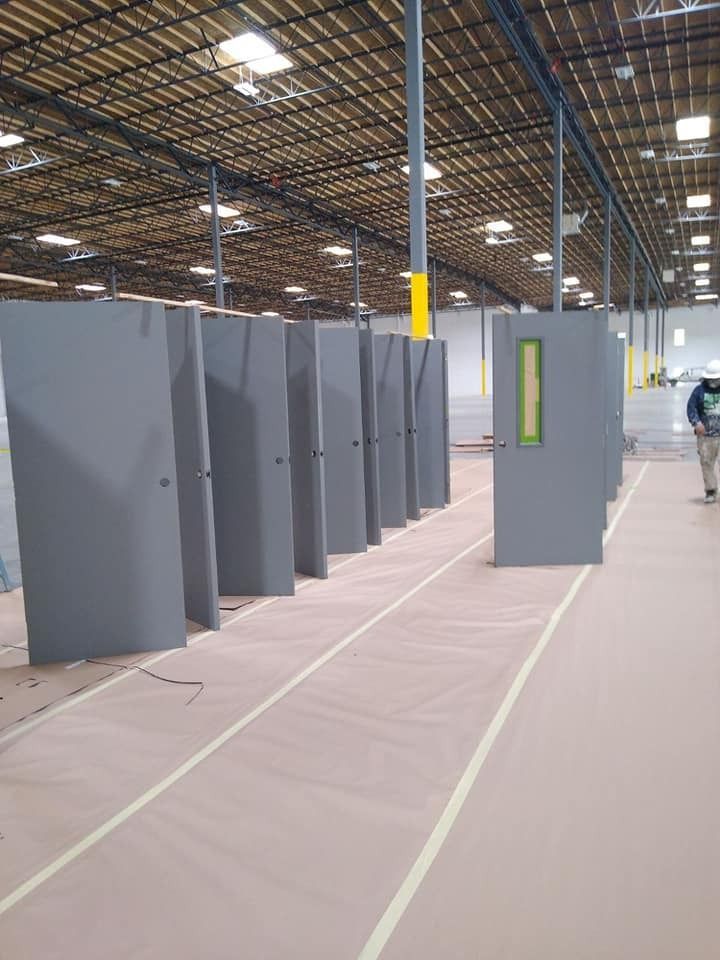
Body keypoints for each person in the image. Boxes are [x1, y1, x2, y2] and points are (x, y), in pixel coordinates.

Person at [687, 359, 720, 503]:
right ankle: (711, 491)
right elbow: (691, 408)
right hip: (706, 437)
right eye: (711, 379)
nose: (714, 382)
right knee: (707, 463)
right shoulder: (699, 391)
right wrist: (696, 423)